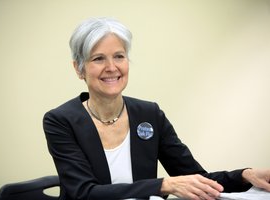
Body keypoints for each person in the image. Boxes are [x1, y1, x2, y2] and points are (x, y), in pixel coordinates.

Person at [43, 17, 270, 200]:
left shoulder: (149, 114)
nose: (111, 67)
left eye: (119, 56)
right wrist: (163, 185)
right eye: (99, 59)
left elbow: (195, 178)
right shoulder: (60, 120)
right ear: (79, 68)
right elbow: (84, 193)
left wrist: (244, 176)